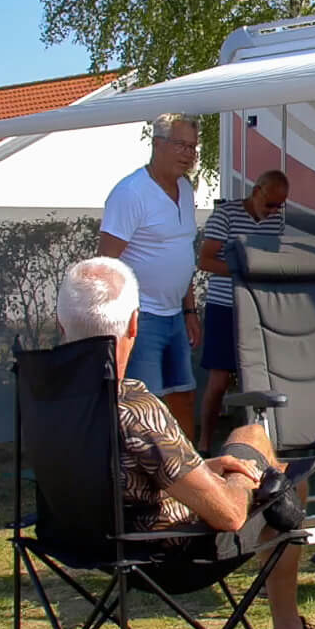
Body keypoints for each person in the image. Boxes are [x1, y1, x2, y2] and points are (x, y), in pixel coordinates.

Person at [56, 256, 315, 629]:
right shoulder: (134, 408)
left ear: (62, 324)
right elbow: (228, 515)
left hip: (82, 542)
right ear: (134, 324)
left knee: (248, 443)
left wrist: (207, 467)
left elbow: (135, 471)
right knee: (278, 476)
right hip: (173, 555)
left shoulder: (49, 395)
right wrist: (246, 477)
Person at [99, 113, 201, 439]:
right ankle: (149, 483)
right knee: (145, 406)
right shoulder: (131, 193)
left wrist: (189, 310)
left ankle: (191, 470)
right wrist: (119, 320)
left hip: (175, 316)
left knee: (183, 395)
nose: (188, 154)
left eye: (193, 147)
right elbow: (104, 264)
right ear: (158, 144)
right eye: (181, 145)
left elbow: (183, 252)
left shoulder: (186, 189)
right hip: (141, 318)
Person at [196, 170, 290, 455]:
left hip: (259, 306)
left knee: (260, 376)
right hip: (225, 306)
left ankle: (257, 442)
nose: (274, 211)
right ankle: (204, 443)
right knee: (219, 380)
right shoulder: (226, 215)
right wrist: (241, 272)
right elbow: (205, 260)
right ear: (256, 190)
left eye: (279, 206)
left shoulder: (276, 221)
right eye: (270, 204)